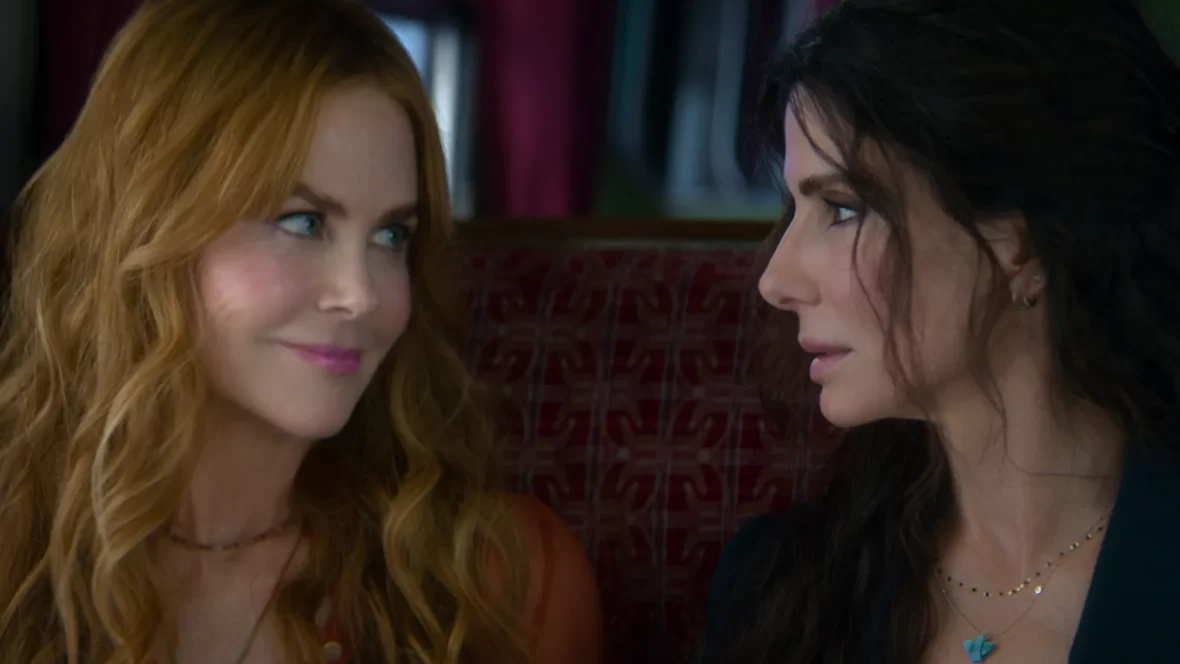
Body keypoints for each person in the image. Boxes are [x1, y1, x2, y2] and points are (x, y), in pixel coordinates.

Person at [0, 1, 602, 662]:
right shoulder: (20, 555)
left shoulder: (501, 582)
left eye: (391, 235)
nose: (361, 294)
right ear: (147, 228)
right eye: (303, 223)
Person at [702, 0, 1180, 662]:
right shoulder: (778, 593)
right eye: (793, 208)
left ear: (1020, 244)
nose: (776, 280)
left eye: (842, 208)